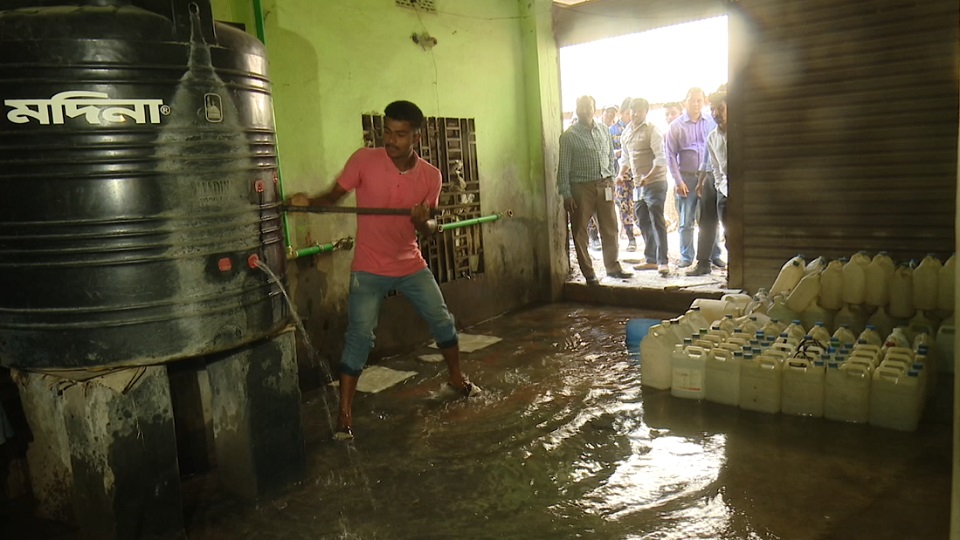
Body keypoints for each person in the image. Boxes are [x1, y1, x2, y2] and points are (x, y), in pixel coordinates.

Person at [289, 100, 480, 441]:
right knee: (360, 337)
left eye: (400, 135)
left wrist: (425, 222)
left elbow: (432, 225)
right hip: (369, 265)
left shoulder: (430, 176)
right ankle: (345, 414)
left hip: (410, 263)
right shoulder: (364, 160)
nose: (391, 140)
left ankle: (455, 377)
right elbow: (333, 197)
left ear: (416, 138)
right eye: (387, 132)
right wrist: (308, 203)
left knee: (442, 320)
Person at [558, 95, 634, 284]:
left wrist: (611, 180)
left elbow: (609, 155)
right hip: (581, 189)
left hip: (604, 185)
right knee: (580, 232)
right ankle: (589, 273)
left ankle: (613, 267)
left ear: (595, 109)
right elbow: (563, 169)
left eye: (588, 107)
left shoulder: (604, 130)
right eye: (581, 107)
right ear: (576, 109)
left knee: (610, 228)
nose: (585, 110)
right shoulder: (569, 137)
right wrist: (566, 194)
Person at [666, 88, 716, 269]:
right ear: (684, 102)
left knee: (709, 220)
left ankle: (713, 255)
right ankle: (687, 257)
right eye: (693, 100)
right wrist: (678, 181)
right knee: (686, 221)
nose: (696, 104)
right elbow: (670, 156)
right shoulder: (676, 126)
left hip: (707, 177)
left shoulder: (710, 122)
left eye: (699, 100)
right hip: (687, 179)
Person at [619, 98, 669, 276]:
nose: (635, 114)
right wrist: (620, 174)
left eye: (639, 110)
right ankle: (651, 259)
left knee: (657, 220)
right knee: (641, 219)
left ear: (645, 111)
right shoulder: (627, 132)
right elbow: (625, 158)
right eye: (633, 110)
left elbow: (661, 158)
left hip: (655, 183)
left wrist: (649, 177)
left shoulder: (652, 130)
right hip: (639, 185)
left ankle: (663, 261)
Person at [608, 98, 637, 252]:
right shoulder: (612, 131)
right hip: (621, 176)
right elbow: (606, 153)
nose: (630, 116)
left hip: (638, 175)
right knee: (624, 205)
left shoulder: (638, 128)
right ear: (622, 113)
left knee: (637, 206)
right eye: (627, 113)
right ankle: (631, 238)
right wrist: (617, 153)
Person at [706, 91, 728, 234]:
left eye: (720, 109)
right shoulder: (712, 138)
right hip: (725, 191)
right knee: (728, 235)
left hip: (745, 189)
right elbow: (715, 166)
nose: (715, 113)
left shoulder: (741, 132)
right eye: (712, 109)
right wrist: (720, 187)